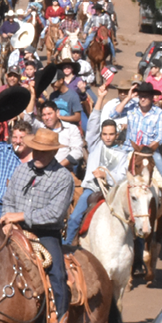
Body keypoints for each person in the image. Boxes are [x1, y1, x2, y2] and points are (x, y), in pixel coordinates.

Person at [0, 127, 75, 323]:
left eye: (44, 152)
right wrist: (9, 221)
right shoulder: (22, 170)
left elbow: (55, 214)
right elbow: (8, 198)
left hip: (46, 233)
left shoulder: (63, 177)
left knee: (57, 273)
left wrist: (21, 216)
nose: (38, 156)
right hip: (15, 228)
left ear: (54, 153)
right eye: (36, 151)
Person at [65, 84, 130, 244]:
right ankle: (67, 246)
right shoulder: (95, 143)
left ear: (117, 135)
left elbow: (122, 175)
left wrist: (106, 175)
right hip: (92, 189)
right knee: (74, 218)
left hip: (112, 192)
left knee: (131, 222)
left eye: (111, 134)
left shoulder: (123, 152)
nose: (107, 137)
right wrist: (100, 98)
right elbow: (93, 122)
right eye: (105, 134)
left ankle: (137, 258)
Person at [108, 81, 162, 213]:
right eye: (141, 96)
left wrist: (148, 148)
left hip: (149, 152)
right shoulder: (131, 108)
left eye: (146, 96)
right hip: (129, 149)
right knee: (115, 172)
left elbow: (160, 137)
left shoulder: (158, 113)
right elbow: (113, 114)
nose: (143, 99)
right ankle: (110, 202)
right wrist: (128, 97)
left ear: (152, 98)